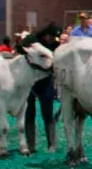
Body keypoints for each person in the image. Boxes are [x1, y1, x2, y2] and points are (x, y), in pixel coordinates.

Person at [20, 22, 63, 152]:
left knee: (47, 112)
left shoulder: (55, 45)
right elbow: (19, 47)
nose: (51, 40)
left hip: (45, 80)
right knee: (29, 112)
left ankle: (51, 144)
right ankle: (31, 145)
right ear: (46, 34)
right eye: (50, 37)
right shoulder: (33, 39)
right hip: (30, 81)